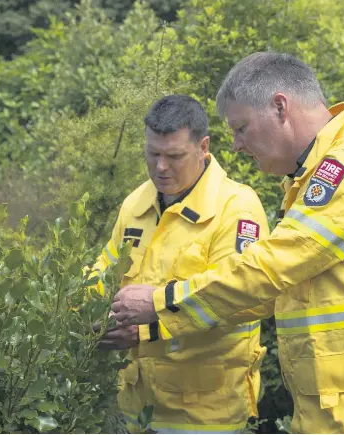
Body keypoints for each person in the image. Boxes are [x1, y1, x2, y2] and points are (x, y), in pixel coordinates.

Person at [111, 53, 344, 434]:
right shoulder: (310, 179)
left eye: (242, 128)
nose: (236, 145)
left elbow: (270, 269)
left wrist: (161, 302)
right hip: (339, 410)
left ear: (280, 107)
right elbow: (268, 294)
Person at [90, 94, 271, 433]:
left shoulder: (236, 208)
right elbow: (103, 271)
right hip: (137, 409)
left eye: (174, 156)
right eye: (152, 154)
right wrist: (88, 316)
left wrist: (145, 332)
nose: (161, 167)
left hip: (204, 414)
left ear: (203, 147)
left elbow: (239, 302)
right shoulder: (136, 204)